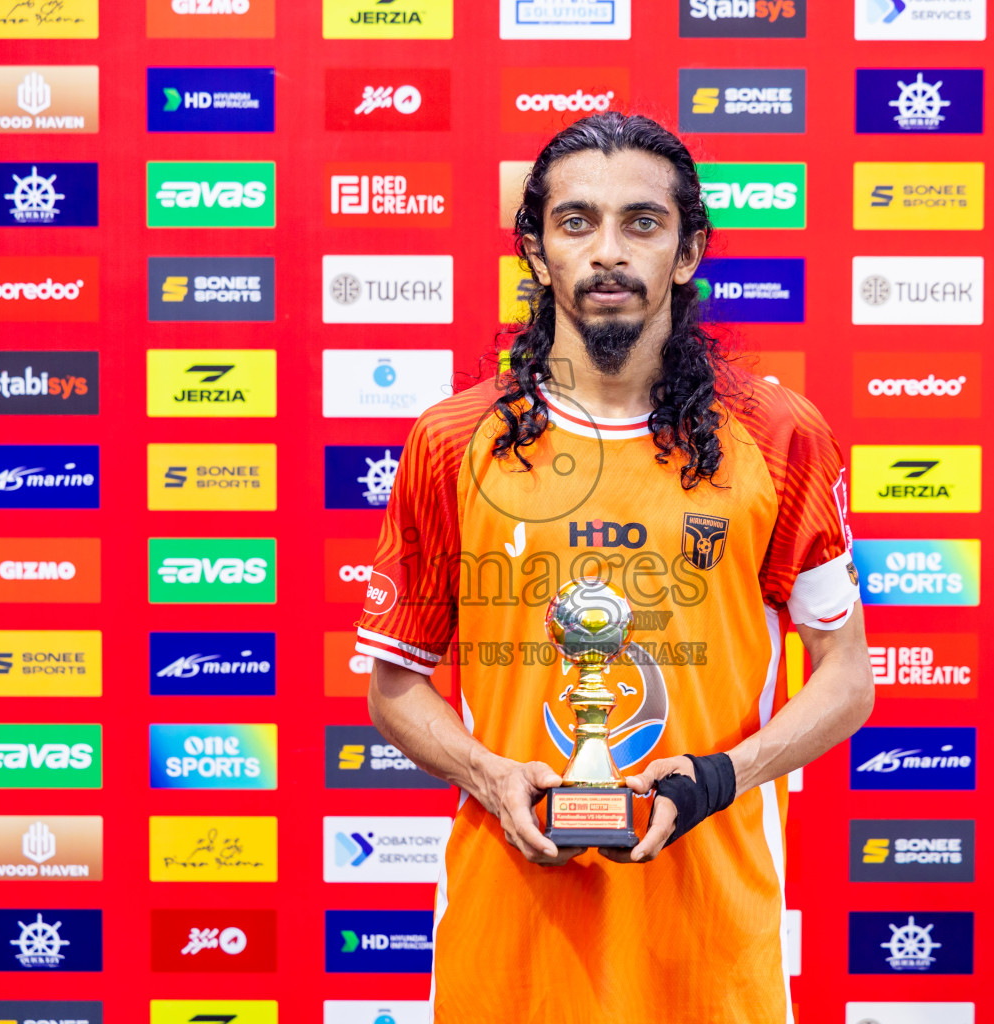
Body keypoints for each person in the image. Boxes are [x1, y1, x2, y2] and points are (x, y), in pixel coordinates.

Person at [355, 112, 874, 1023]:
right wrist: (490, 776)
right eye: (576, 221)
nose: (608, 252)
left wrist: (720, 777)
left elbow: (850, 678)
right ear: (534, 249)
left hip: (709, 940)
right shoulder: (449, 441)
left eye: (642, 222)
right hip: (509, 937)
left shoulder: (781, 436)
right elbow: (394, 685)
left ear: (687, 251)